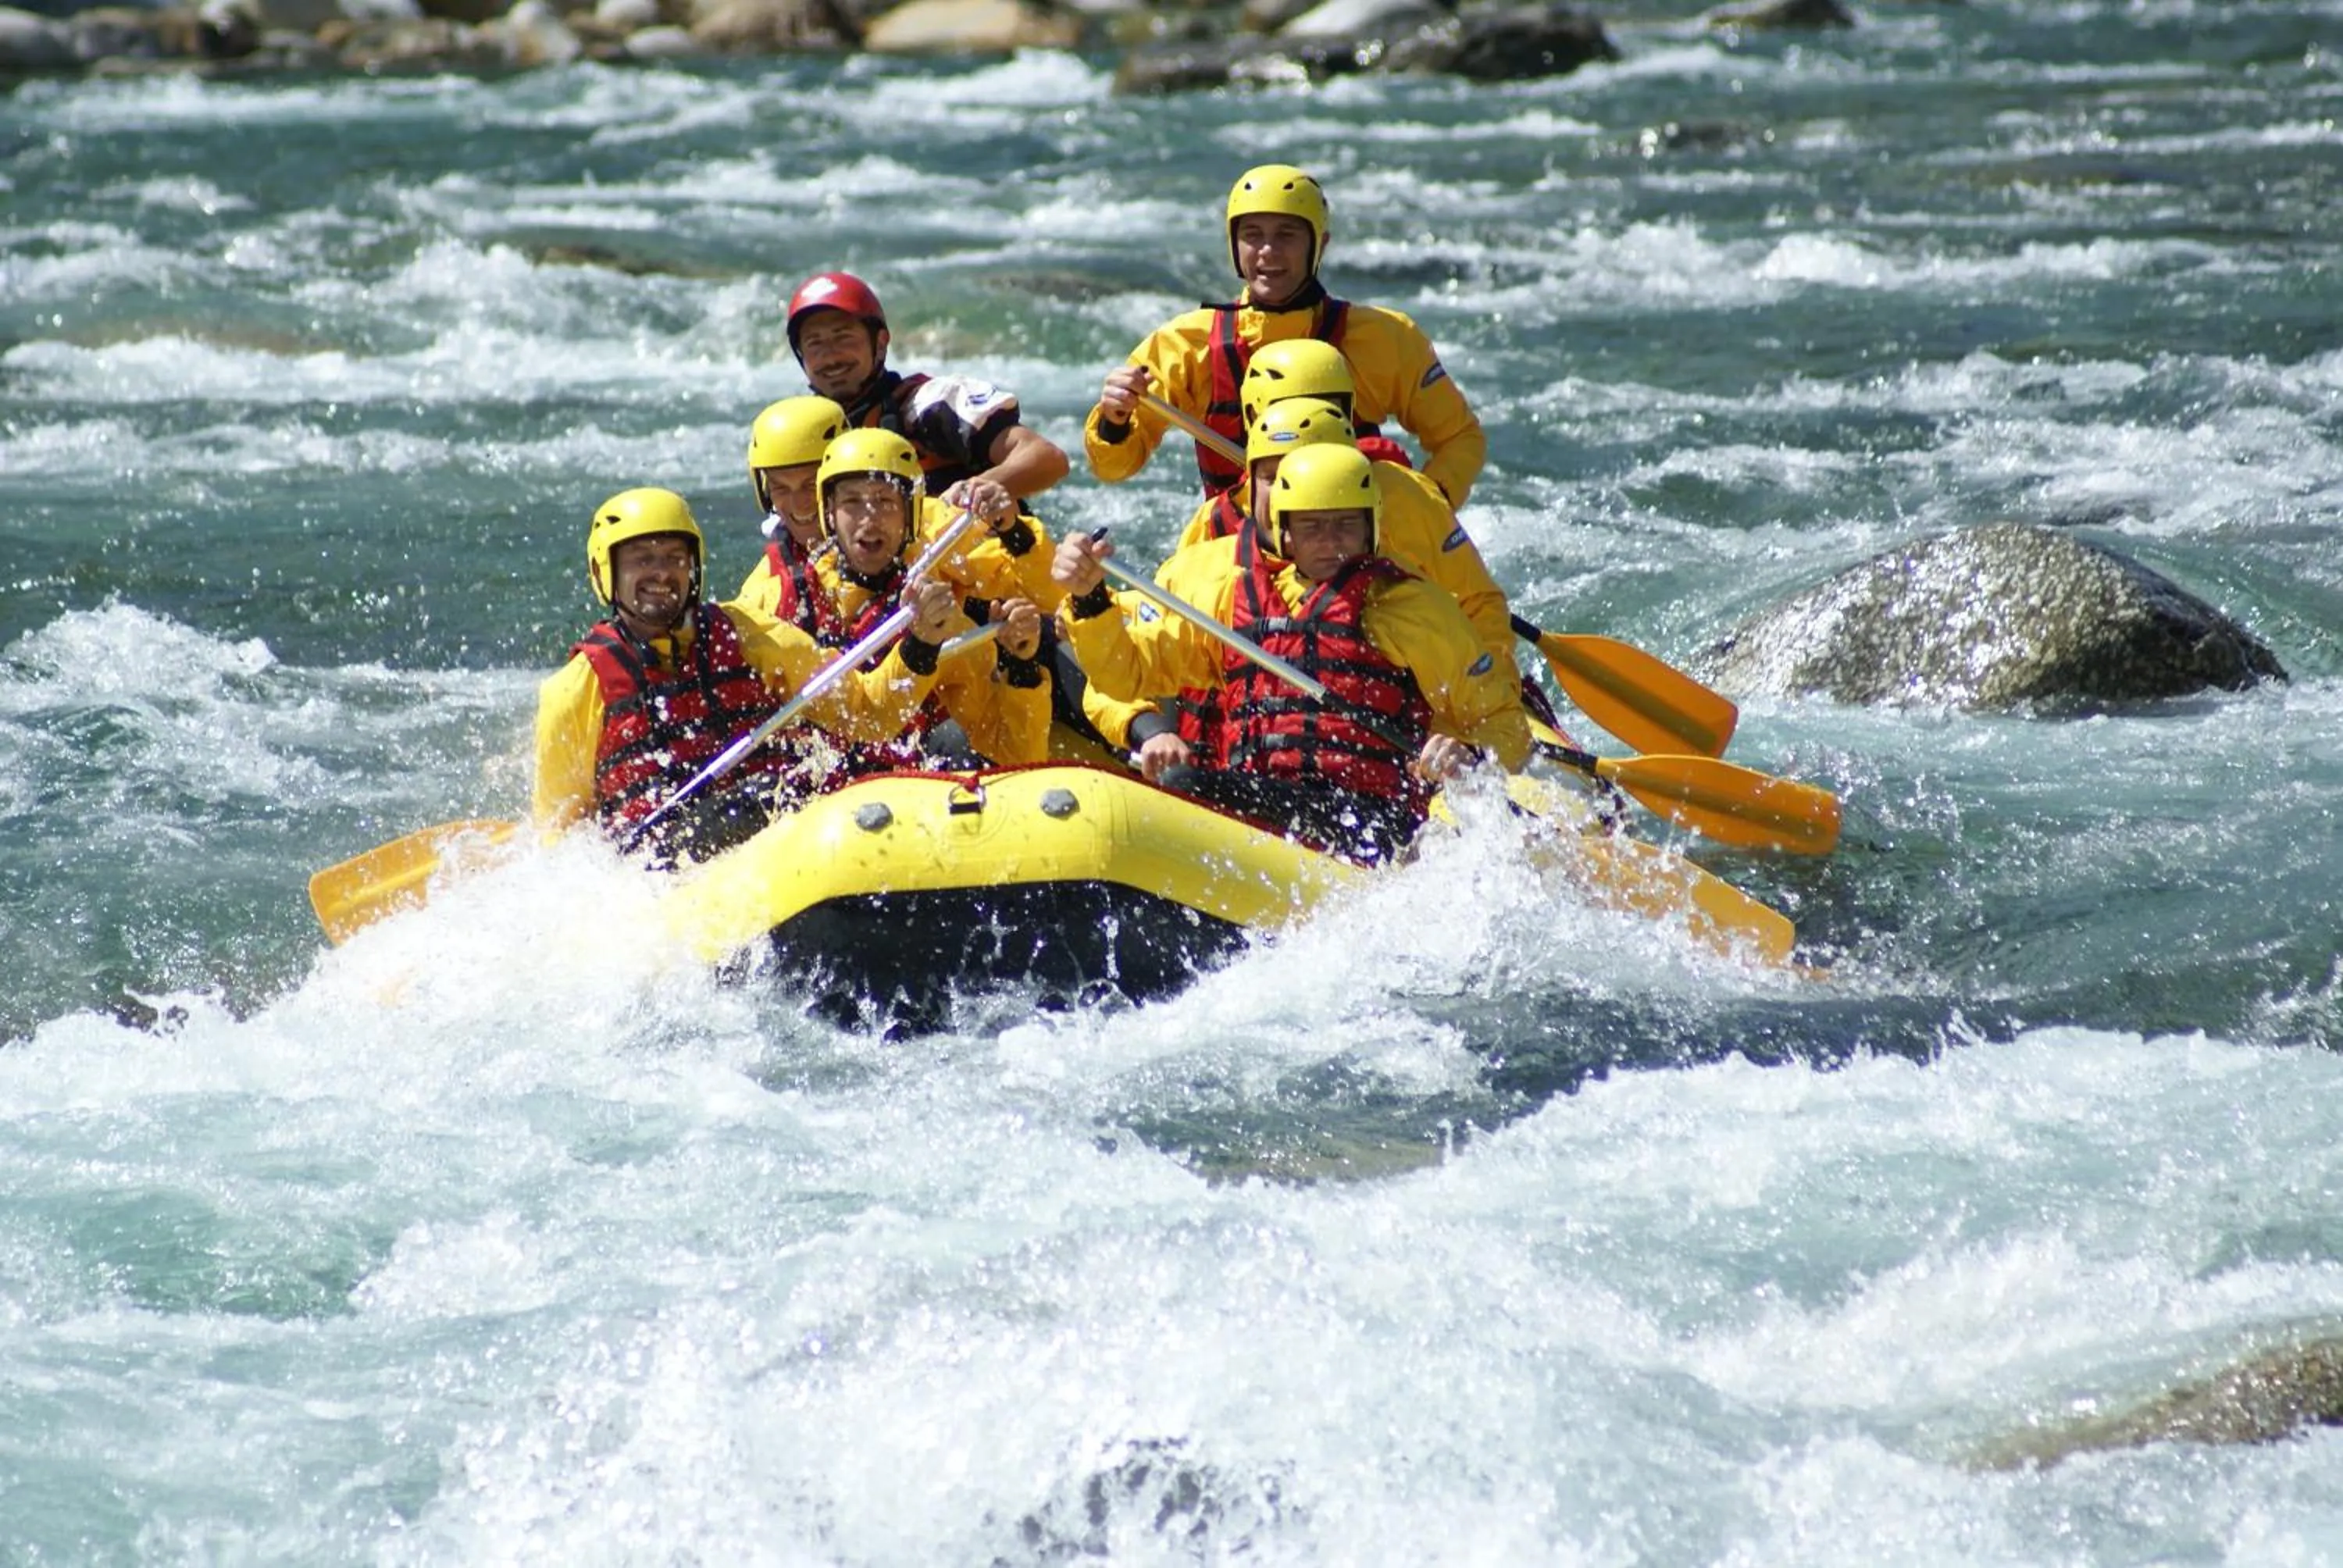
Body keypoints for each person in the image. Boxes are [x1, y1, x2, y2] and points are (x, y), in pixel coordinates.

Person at [1053, 444, 1530, 865]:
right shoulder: (1234, 601)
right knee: (1181, 785)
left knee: (1186, 786)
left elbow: (1503, 721)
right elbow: (1126, 674)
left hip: (1369, 816)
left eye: (1346, 524)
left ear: (1371, 527)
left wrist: (1463, 750)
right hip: (1263, 803)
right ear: (1285, 532)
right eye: (1312, 526)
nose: (1330, 541)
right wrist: (1090, 600)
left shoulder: (1414, 607)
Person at [533, 486, 955, 864]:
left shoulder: (749, 635)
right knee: (754, 801)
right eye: (642, 560)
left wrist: (921, 643)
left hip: (780, 837)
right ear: (604, 572)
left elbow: (868, 715)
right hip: (667, 866)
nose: (661, 573)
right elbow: (560, 839)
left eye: (675, 559)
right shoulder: (576, 689)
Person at [1082, 164, 1486, 505]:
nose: (1268, 251)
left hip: (1349, 548)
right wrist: (1114, 421)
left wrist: (1423, 509)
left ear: (1319, 244)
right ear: (1234, 245)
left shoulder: (1386, 338)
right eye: (1252, 234)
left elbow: (1459, 438)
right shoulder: (1186, 345)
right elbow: (1112, 467)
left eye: (1287, 235)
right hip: (1237, 552)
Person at [795, 429, 1053, 775]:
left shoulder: (943, 616)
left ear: (911, 513)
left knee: (955, 741)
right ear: (829, 512)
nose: (869, 519)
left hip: (920, 781)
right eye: (852, 502)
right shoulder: (785, 595)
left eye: (885, 501)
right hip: (830, 781)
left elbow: (1014, 754)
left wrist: (1023, 665)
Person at [783, 269, 1071, 511]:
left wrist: (975, 490)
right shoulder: (802, 439)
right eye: (814, 343)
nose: (830, 356)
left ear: (880, 343)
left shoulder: (933, 404)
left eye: (843, 337)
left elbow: (1046, 459)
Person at [737, 394, 847, 625]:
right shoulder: (760, 592)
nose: (798, 504)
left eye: (811, 485)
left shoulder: (908, 534)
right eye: (781, 488)